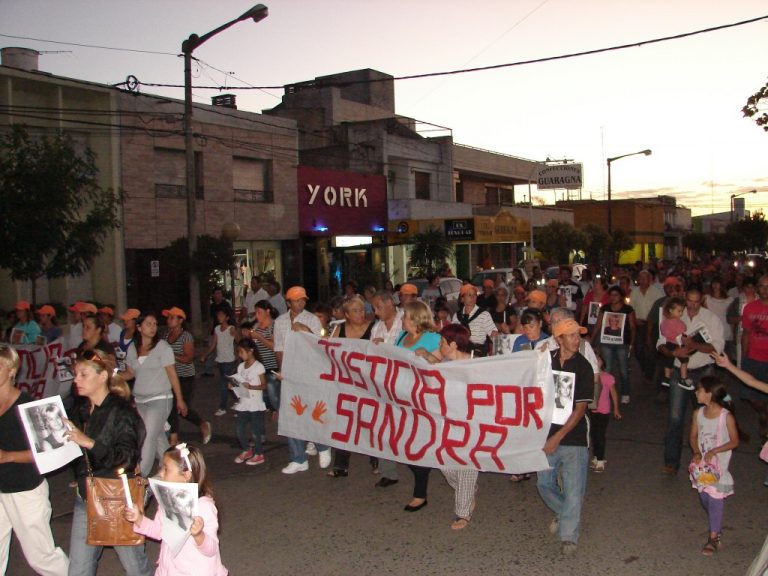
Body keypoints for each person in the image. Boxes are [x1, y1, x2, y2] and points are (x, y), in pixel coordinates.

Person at [64, 348, 152, 576]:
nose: (76, 379)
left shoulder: (122, 412)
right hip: (86, 497)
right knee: (78, 571)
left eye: (83, 374)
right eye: (76, 373)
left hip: (117, 498)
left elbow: (128, 457)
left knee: (136, 569)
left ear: (102, 376)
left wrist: (89, 442)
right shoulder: (80, 409)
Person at [0, 344, 69, 576]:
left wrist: (8, 456)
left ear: (11, 371)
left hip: (25, 490)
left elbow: (52, 451)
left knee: (42, 557)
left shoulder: (28, 405)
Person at [537, 319, 594, 556]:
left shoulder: (584, 367)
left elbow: (580, 409)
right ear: (558, 339)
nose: (576, 339)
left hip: (572, 437)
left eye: (577, 335)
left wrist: (557, 437)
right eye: (570, 335)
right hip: (544, 434)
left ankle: (569, 535)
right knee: (544, 484)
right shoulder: (544, 360)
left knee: (573, 489)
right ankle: (565, 513)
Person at [125, 444, 227, 575]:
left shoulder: (203, 507)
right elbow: (160, 532)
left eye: (166, 469)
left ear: (186, 475)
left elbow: (211, 549)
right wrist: (139, 519)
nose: (160, 473)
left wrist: (199, 535)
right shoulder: (167, 499)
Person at [416, 324, 479, 530]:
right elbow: (433, 365)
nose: (439, 345)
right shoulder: (444, 361)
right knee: (443, 462)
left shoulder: (477, 363)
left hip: (473, 424)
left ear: (452, 344)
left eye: (442, 343)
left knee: (466, 465)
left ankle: (463, 513)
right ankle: (467, 490)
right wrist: (425, 355)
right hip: (448, 422)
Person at [658, 287, 724, 475]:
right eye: (689, 301)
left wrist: (695, 345)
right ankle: (671, 461)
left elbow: (717, 346)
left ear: (701, 300)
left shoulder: (711, 318)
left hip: (703, 372)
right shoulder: (675, 314)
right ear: (685, 299)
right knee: (675, 417)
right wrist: (672, 352)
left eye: (696, 301)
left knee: (704, 417)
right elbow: (661, 342)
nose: (692, 305)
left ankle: (705, 461)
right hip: (680, 370)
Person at [125, 313, 187, 478]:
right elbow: (130, 374)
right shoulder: (132, 348)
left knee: (148, 435)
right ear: (139, 327)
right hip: (140, 400)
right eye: (148, 324)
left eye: (154, 324)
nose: (153, 327)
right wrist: (111, 375)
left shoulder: (162, 347)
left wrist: (180, 399)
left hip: (160, 398)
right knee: (158, 436)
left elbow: (172, 374)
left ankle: (139, 477)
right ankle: (174, 470)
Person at [274, 286, 327, 474]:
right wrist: (282, 370)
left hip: (309, 370)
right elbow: (279, 348)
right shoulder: (280, 322)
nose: (301, 303)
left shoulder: (311, 319)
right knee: (291, 413)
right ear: (288, 302)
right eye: (297, 300)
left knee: (313, 409)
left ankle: (322, 446)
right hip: (290, 371)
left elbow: (321, 344)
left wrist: (304, 329)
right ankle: (298, 457)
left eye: (303, 299)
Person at [395, 300, 441, 512]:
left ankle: (420, 494)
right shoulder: (401, 337)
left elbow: (442, 368)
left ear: (414, 319)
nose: (402, 319)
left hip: (423, 399)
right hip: (401, 398)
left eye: (405, 316)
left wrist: (428, 356)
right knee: (402, 444)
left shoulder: (433, 338)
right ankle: (424, 467)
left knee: (416, 446)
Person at [688, 376, 740, 556]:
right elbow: (693, 436)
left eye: (699, 390)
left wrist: (715, 450)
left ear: (709, 394)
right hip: (703, 467)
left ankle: (713, 537)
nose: (696, 392)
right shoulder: (698, 414)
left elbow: (735, 441)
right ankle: (715, 523)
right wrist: (696, 451)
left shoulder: (726, 417)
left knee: (715, 497)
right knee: (704, 497)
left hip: (719, 468)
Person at [327, 296, 375, 478]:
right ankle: (341, 464)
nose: (360, 314)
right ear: (346, 314)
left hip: (368, 383)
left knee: (369, 420)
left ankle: (375, 459)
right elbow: (327, 350)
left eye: (362, 310)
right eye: (355, 311)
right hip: (345, 382)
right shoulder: (339, 329)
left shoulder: (372, 328)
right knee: (343, 421)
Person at [369, 290, 404, 487]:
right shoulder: (377, 328)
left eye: (378, 307)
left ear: (390, 304)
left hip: (404, 382)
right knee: (384, 425)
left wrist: (387, 348)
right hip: (383, 382)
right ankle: (388, 471)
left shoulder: (406, 321)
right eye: (374, 308)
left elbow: (411, 349)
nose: (375, 312)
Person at [162, 307, 211, 445]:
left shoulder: (186, 336)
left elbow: (188, 358)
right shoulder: (166, 335)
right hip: (171, 377)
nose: (169, 320)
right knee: (171, 407)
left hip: (185, 377)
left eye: (172, 318)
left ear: (180, 320)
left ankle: (202, 424)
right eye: (168, 317)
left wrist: (171, 354)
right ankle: (174, 437)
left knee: (182, 408)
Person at [593, 286, 636, 404]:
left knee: (623, 369)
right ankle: (606, 392)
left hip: (622, 343)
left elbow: (632, 327)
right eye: (611, 295)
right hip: (607, 342)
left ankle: (625, 392)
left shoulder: (628, 309)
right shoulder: (605, 308)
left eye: (616, 295)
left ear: (621, 296)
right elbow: (598, 324)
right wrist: (592, 339)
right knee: (607, 368)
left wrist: (631, 343)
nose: (613, 297)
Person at [740, 274, 768, 443]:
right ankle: (763, 414)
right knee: (752, 397)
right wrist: (744, 356)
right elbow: (746, 333)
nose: (765, 290)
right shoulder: (750, 308)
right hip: (753, 358)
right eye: (762, 286)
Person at [230, 339, 267, 466]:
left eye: (241, 352)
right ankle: (247, 449)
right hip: (244, 402)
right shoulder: (240, 366)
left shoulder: (258, 366)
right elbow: (239, 381)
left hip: (255, 403)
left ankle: (259, 453)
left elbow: (263, 385)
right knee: (239, 428)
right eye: (238, 352)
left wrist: (251, 386)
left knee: (255, 431)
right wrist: (234, 385)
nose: (240, 355)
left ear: (250, 351)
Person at [200, 309, 238, 417]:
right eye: (218, 315)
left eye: (222, 315)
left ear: (227, 317)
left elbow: (238, 340)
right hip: (221, 360)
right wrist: (205, 354)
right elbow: (213, 345)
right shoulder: (217, 329)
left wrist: (238, 354)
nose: (219, 317)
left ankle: (222, 407)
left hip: (229, 360)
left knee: (223, 384)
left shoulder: (231, 328)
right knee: (229, 383)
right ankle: (240, 400)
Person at [589, 353, 621, 473]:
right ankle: (597, 456)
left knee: (600, 434)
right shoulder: (589, 376)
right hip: (592, 409)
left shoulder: (607, 377)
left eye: (598, 360)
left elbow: (613, 393)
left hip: (603, 410)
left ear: (602, 362)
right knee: (593, 434)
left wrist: (616, 409)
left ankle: (601, 459)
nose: (596, 362)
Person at [248, 300, 280, 413]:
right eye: (255, 313)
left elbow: (275, 346)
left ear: (268, 311)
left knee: (273, 393)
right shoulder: (256, 326)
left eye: (259, 312)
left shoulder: (274, 326)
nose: (257, 315)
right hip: (260, 366)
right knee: (263, 393)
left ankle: (278, 412)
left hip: (272, 366)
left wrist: (259, 337)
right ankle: (271, 410)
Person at [453, 284, 498, 356]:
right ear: (462, 299)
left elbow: (494, 336)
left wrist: (496, 335)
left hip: (478, 352)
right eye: (469, 295)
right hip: (460, 353)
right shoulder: (457, 316)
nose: (473, 297)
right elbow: (453, 336)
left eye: (474, 295)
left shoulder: (484, 314)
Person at [660, 296, 693, 389]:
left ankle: (666, 378)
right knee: (684, 360)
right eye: (679, 311)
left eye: (682, 311)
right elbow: (682, 332)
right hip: (676, 344)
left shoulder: (664, 322)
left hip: (668, 344)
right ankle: (683, 378)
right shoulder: (679, 323)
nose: (681, 313)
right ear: (671, 310)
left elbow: (662, 332)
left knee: (668, 361)